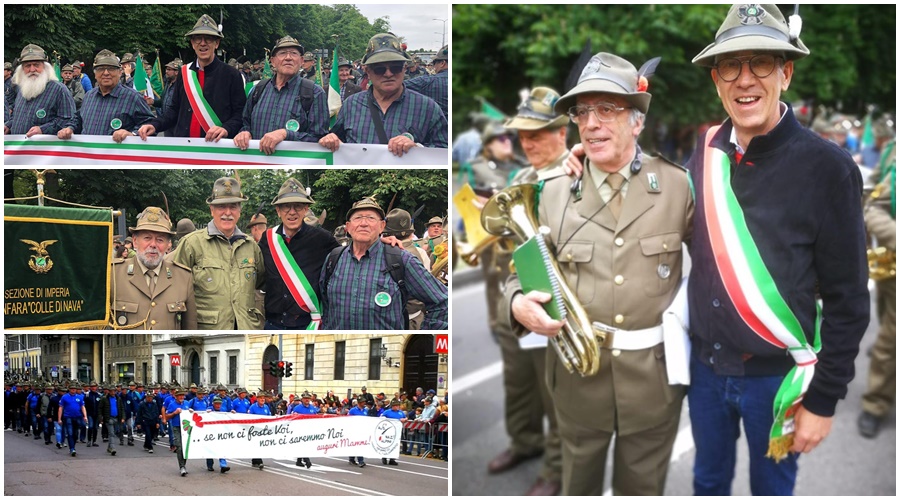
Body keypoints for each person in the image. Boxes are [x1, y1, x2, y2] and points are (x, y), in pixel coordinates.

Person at [686, 5, 869, 495]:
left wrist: (824, 401)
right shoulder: (702, 154)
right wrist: (597, 167)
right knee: (707, 484)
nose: (745, 80)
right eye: (730, 66)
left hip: (777, 381)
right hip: (705, 371)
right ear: (716, 81)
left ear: (785, 73)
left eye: (761, 63)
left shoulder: (829, 168)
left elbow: (850, 302)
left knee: (772, 491)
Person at [505, 51, 693, 496]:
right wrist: (517, 304)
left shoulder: (678, 185)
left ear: (637, 121)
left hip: (653, 381)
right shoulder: (550, 193)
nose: (591, 123)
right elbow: (521, 271)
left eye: (607, 108)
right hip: (576, 382)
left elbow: (721, 261)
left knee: (642, 489)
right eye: (582, 111)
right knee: (578, 487)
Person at [481, 86, 571, 496]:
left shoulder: (577, 174)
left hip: (555, 303)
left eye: (538, 134)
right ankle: (525, 442)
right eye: (523, 135)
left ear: (562, 133)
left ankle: (556, 468)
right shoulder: (521, 177)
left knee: (557, 394)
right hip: (515, 300)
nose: (529, 143)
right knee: (518, 384)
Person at [320, 197, 448, 330]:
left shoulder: (401, 259)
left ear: (382, 226)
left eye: (371, 218)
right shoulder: (333, 259)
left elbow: (443, 301)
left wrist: (423, 336)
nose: (364, 223)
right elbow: (325, 305)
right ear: (348, 227)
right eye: (358, 218)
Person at [319, 33, 448, 156]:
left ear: (404, 69)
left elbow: (445, 151)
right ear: (368, 72)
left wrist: (417, 149)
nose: (388, 74)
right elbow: (338, 139)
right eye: (379, 69)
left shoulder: (427, 107)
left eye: (395, 68)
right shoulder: (351, 104)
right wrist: (330, 139)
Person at [172, 176, 265, 330]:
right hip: (208, 330)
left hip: (247, 328)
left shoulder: (251, 246)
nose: (227, 212)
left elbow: (260, 281)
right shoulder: (191, 244)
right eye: (221, 206)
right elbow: (174, 290)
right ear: (212, 210)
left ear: (239, 211)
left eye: (233, 206)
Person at [137, 14, 246, 142]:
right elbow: (174, 110)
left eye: (208, 39)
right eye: (198, 39)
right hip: (185, 147)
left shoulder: (232, 75)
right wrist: (154, 125)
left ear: (216, 43)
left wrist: (226, 128)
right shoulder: (184, 73)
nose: (203, 43)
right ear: (192, 43)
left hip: (217, 147)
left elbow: (240, 114)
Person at [258, 177, 339, 330]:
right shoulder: (267, 239)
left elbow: (350, 254)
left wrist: (384, 242)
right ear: (278, 211)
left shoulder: (322, 238)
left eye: (298, 206)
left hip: (307, 324)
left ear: (306, 209)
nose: (292, 212)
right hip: (272, 323)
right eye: (286, 207)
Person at [234, 36, 329, 155]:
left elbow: (319, 138)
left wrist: (286, 134)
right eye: (282, 53)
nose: (288, 58)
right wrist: (244, 132)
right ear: (273, 61)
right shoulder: (258, 89)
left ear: (301, 61)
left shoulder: (315, 93)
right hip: (257, 161)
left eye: (294, 53)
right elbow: (245, 122)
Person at [858, 138, 895, 438]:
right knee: (890, 339)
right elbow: (875, 207)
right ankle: (876, 404)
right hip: (893, 265)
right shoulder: (893, 153)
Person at [109, 206, 198, 329]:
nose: (153, 245)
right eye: (147, 238)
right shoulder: (113, 274)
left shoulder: (183, 277)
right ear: (135, 241)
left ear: (168, 245)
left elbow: (190, 328)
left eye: (160, 240)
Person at [58, 49, 154, 143]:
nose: (106, 73)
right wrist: (70, 128)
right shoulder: (89, 96)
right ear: (95, 74)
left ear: (120, 72)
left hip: (116, 157)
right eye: (101, 69)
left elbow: (150, 125)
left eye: (111, 68)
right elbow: (78, 119)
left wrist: (132, 134)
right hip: (88, 157)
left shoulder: (133, 98)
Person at [5, 44, 77, 136]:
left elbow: (69, 121)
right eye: (27, 66)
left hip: (44, 149)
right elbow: (18, 116)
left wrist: (43, 129)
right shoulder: (22, 88)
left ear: (45, 67)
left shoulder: (59, 90)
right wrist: (8, 125)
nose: (32, 69)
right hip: (19, 149)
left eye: (36, 65)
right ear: (22, 69)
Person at [384, 208, 431, 330]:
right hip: (415, 316)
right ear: (411, 233)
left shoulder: (378, 251)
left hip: (387, 318)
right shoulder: (420, 253)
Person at [405, 46, 448, 118]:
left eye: (434, 63)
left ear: (442, 63)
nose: (434, 67)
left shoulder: (428, 81)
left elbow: (398, 86)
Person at [58, 383, 89, 457]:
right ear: (69, 389)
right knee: (70, 433)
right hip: (68, 417)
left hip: (78, 416)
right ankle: (72, 448)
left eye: (74, 389)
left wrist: (85, 416)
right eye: (72, 389)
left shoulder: (80, 397)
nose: (73, 390)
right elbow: (61, 408)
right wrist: (59, 419)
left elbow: (82, 407)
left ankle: (73, 446)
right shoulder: (64, 397)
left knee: (75, 434)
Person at [165, 389, 191, 476]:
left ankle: (183, 465)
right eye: (180, 395)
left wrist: (191, 412)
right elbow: (167, 416)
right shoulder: (172, 405)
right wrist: (174, 413)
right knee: (179, 447)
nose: (181, 397)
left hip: (186, 427)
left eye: (183, 395)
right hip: (176, 427)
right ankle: (182, 467)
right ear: (176, 396)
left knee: (186, 447)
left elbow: (192, 413)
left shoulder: (187, 403)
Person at [290, 392, 317, 468]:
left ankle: (299, 461)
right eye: (305, 399)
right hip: (300, 429)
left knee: (306, 445)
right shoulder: (297, 408)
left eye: (308, 398)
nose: (307, 400)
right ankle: (306, 460)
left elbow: (316, 418)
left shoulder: (312, 408)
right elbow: (292, 418)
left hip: (310, 430)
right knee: (303, 445)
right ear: (302, 399)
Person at [248, 390, 272, 470]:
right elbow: (249, 418)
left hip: (263, 430)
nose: (262, 399)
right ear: (257, 399)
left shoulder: (266, 407)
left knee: (260, 445)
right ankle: (259, 461)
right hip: (255, 430)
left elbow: (269, 416)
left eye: (263, 398)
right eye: (260, 398)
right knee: (256, 445)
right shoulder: (252, 407)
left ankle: (255, 461)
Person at [99, 384, 125, 457]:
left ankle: (109, 447)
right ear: (109, 392)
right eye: (111, 391)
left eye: (114, 391)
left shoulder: (118, 399)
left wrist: (123, 417)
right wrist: (100, 418)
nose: (113, 393)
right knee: (111, 433)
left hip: (116, 418)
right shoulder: (104, 399)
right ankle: (113, 448)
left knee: (115, 432)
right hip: (108, 418)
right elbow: (100, 409)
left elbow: (122, 408)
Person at [347, 398, 369, 467]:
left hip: (363, 430)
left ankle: (352, 459)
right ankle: (360, 460)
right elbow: (347, 419)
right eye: (363, 402)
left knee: (360, 445)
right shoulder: (353, 410)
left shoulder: (366, 410)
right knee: (357, 444)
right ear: (359, 403)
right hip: (354, 430)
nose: (364, 403)